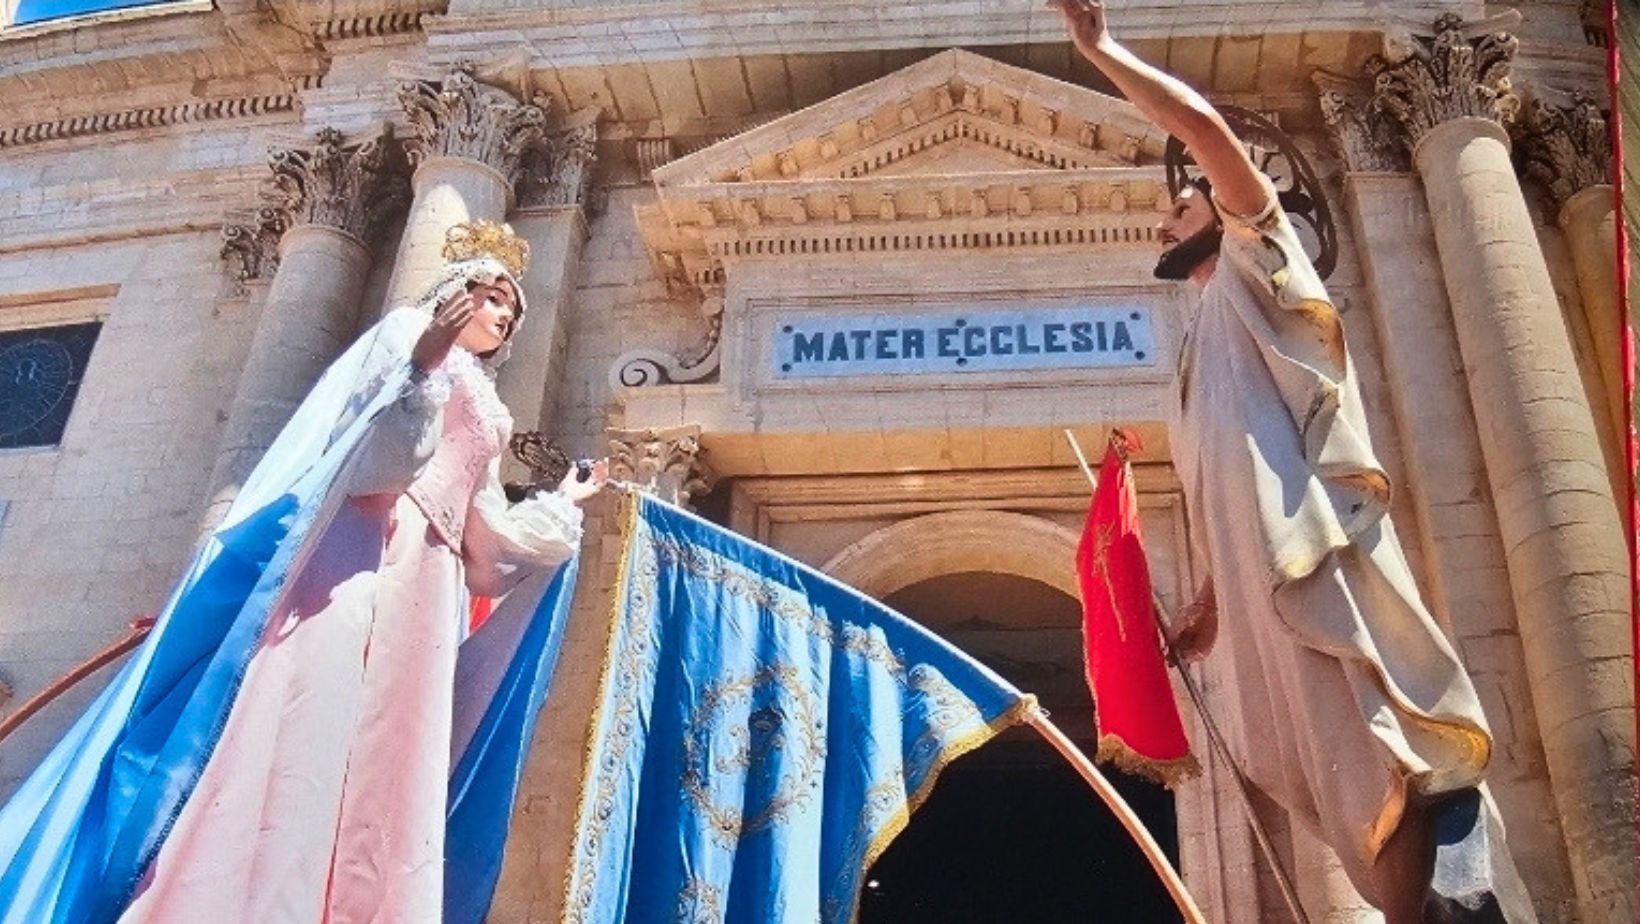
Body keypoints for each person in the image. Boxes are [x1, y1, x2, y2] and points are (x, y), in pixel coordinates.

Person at [1051, 3, 1533, 923]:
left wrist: (1103, 51)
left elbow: (1205, 131)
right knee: (1318, 778)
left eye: (1180, 200)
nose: (1166, 217)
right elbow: (1234, 485)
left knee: (1366, 751)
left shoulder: (1256, 259)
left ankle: (1444, 907)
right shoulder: (1195, 351)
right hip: (1260, 595)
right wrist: (1209, 609)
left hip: (1311, 571)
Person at [0, 220, 605, 924]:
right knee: (314, 722)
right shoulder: (406, 337)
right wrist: (422, 362)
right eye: (491, 294)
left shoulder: (489, 403)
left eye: (512, 308)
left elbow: (485, 529)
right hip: (366, 555)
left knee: (392, 754)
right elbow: (372, 460)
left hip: (431, 585)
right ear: (452, 293)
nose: (503, 312)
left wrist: (562, 502)